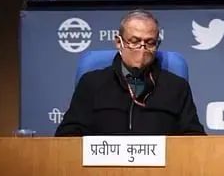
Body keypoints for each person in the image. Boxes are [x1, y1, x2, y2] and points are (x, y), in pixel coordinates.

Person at [55, 10, 205, 136]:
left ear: (157, 44)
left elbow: (193, 138)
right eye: (134, 41)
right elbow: (67, 136)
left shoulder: (177, 87)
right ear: (118, 42)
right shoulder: (91, 83)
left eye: (150, 43)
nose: (142, 49)